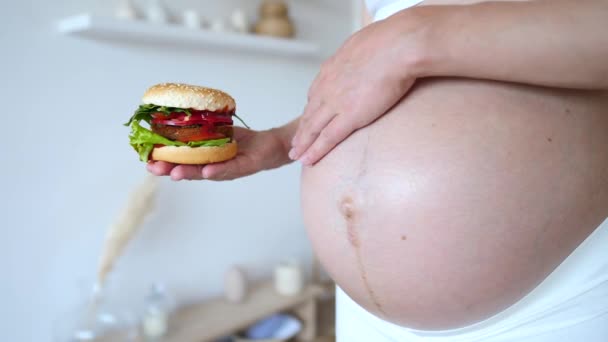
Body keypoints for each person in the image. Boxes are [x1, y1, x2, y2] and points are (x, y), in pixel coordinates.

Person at [148, 0, 608, 340]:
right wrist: (281, 142)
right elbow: (365, 85)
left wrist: (416, 35)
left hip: (547, 301)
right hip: (363, 317)